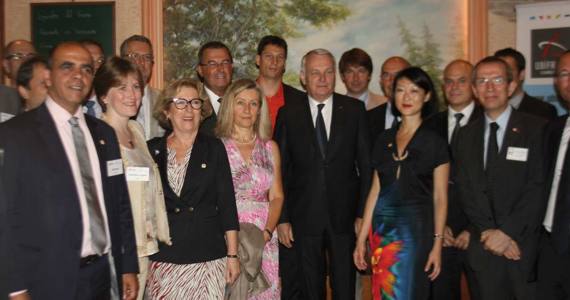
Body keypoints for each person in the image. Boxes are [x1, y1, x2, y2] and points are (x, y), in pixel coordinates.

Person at [0, 41, 138, 299]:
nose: (78, 75)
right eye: (67, 67)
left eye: (86, 69)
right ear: (48, 76)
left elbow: (120, 205)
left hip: (102, 275)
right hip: (46, 279)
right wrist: (15, 288)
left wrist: (128, 266)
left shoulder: (104, 134)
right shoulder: (16, 134)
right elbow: (5, 218)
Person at [274, 48, 372, 299]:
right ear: (303, 77)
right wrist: (282, 218)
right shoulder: (288, 114)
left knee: (344, 287)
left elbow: (367, 165)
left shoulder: (354, 111)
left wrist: (362, 213)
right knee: (310, 288)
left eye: (328, 72)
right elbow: (280, 170)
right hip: (303, 217)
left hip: (345, 217)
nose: (322, 78)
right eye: (315, 72)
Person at [453, 56, 545, 300]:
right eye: (482, 81)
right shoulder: (464, 136)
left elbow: (538, 187)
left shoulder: (537, 129)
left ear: (511, 86)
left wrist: (506, 233)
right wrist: (489, 232)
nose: (490, 87)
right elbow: (466, 191)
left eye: (497, 80)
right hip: (483, 251)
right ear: (474, 90)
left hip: (523, 249)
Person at [354, 67, 447, 300]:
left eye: (414, 91)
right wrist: (361, 239)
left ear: (426, 96)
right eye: (401, 90)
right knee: (383, 293)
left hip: (415, 232)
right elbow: (375, 191)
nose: (406, 97)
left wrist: (437, 244)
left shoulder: (435, 141)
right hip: (382, 232)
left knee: (408, 291)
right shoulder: (384, 138)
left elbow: (440, 198)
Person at [145, 78, 240, 298]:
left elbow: (227, 204)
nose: (188, 109)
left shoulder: (214, 148)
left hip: (206, 257)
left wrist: (233, 256)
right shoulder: (151, 150)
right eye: (180, 102)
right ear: (167, 111)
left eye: (195, 103)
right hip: (164, 258)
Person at [93, 56, 171, 300]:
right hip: (118, 251)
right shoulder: (97, 137)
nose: (132, 94)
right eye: (122, 87)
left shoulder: (136, 131)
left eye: (136, 87)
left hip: (145, 246)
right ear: (104, 95)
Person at [216, 78, 284, 299]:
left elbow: (277, 196)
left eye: (253, 104)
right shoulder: (216, 147)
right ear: (229, 106)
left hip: (264, 236)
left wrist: (265, 234)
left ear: (259, 110)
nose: (247, 110)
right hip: (228, 235)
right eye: (240, 103)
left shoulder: (270, 147)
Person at [423, 59, 482, 300]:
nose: (454, 86)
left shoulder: (489, 122)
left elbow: (497, 184)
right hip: (441, 235)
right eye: (448, 81)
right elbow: (421, 181)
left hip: (480, 234)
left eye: (462, 80)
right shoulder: (429, 126)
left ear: (474, 85)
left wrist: (473, 229)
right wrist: (439, 224)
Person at [537, 50, 570, 299]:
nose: (569, 81)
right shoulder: (553, 129)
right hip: (548, 246)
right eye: (564, 74)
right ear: (557, 83)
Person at [255, 35, 305, 130]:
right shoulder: (240, 96)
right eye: (269, 56)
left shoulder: (300, 101)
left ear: (285, 64)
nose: (274, 62)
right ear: (258, 60)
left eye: (280, 57)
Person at [495, 47, 557, 120]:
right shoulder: (481, 112)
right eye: (498, 73)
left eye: (509, 72)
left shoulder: (544, 111)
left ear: (521, 74)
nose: (503, 77)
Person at [121, 35, 162, 139]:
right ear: (122, 61)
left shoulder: (163, 100)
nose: (141, 62)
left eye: (147, 57)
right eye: (134, 56)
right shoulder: (113, 99)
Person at [367, 56, 410, 142]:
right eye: (386, 75)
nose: (392, 80)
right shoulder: (367, 119)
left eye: (398, 75)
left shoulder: (428, 120)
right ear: (381, 81)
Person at [196, 41, 234, 136]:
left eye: (225, 63)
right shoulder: (192, 104)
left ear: (231, 67)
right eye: (212, 64)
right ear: (200, 70)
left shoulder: (244, 102)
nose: (220, 69)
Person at [81, 39, 106, 118]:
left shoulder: (110, 102)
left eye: (100, 60)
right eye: (90, 60)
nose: (97, 66)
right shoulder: (68, 103)